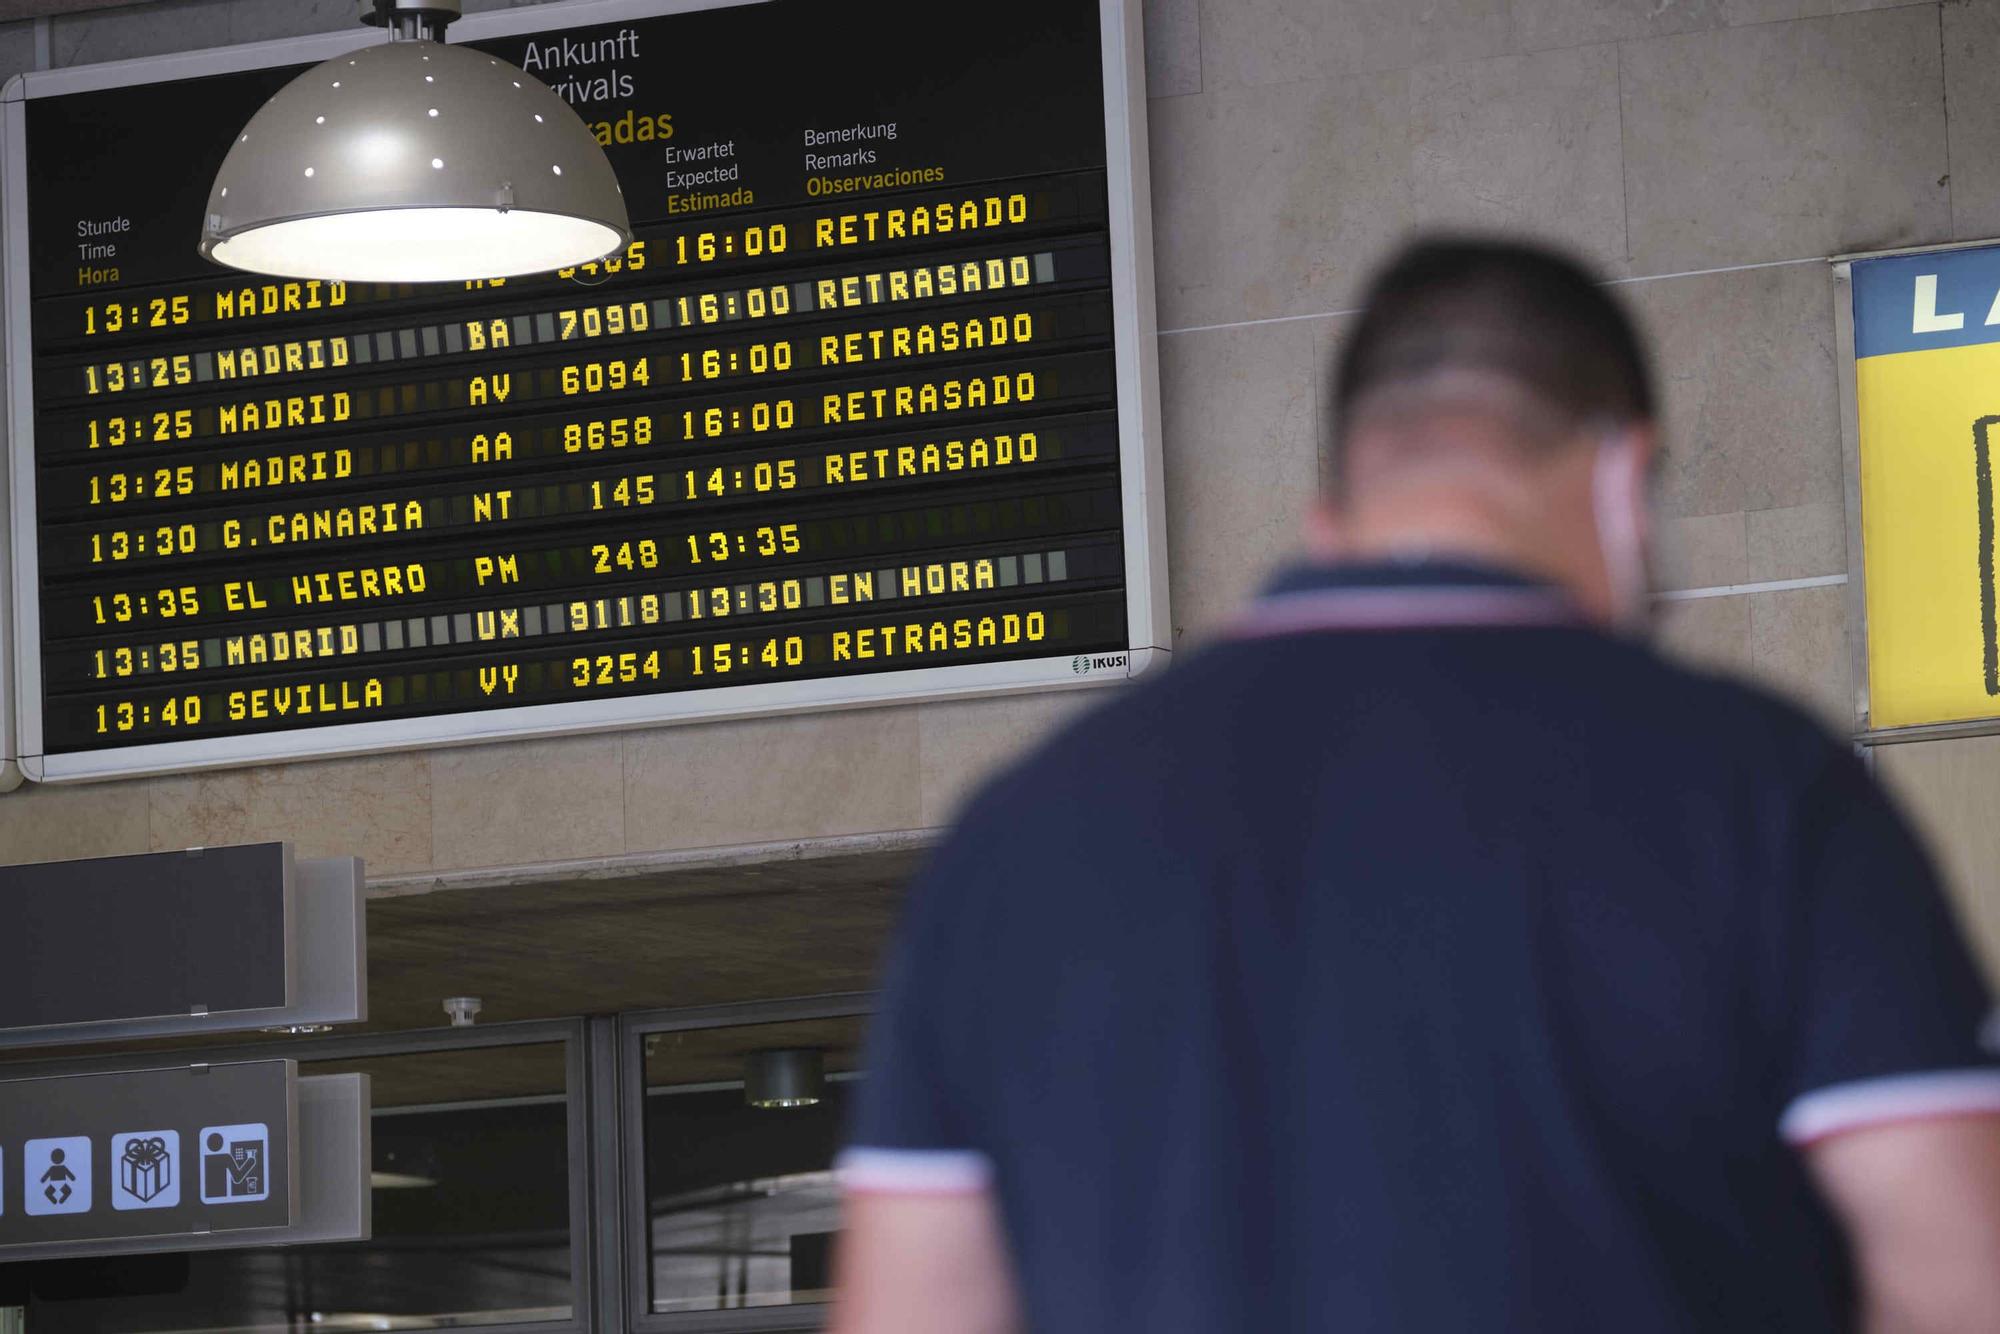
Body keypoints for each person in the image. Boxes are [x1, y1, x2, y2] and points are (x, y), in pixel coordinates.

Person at [830, 238, 2000, 1332]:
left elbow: (912, 1306)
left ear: (1330, 510)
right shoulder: (1760, 789)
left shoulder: (1014, 838)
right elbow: (1959, 1272)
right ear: (1620, 473)